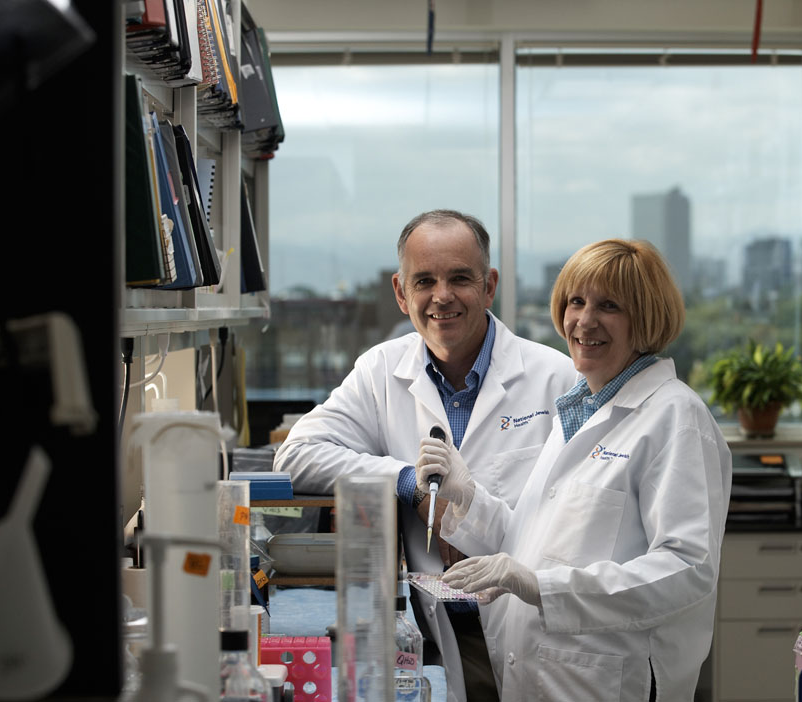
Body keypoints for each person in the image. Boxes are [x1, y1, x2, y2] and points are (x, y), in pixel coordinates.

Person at [273, 209, 576, 701]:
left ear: (490, 285)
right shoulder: (381, 371)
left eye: (460, 278)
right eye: (424, 281)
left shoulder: (556, 379)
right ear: (400, 292)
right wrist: (405, 481)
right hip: (438, 635)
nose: (442, 296)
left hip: (535, 629)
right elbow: (297, 456)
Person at [416, 238, 732, 702]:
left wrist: (540, 586)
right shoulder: (579, 410)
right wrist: (469, 497)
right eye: (576, 302)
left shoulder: (675, 417)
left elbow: (687, 571)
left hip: (605, 682)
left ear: (645, 318)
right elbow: (533, 547)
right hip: (540, 676)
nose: (584, 321)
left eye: (609, 306)